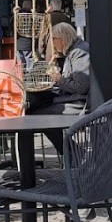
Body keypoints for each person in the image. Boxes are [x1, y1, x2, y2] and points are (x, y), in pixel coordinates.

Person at [28, 22, 89, 153]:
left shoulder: (79, 53)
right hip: (71, 99)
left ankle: (73, 154)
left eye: (54, 41)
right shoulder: (73, 51)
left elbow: (81, 87)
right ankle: (72, 153)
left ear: (62, 39)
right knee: (34, 107)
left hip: (78, 103)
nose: (53, 45)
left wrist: (59, 79)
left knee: (37, 117)